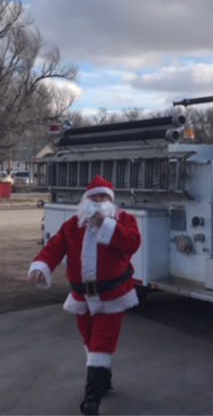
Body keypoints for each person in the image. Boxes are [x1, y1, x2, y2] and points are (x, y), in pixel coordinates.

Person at [28, 175, 141, 415]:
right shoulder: (73, 225)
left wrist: (107, 226)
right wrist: (41, 267)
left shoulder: (123, 220)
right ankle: (104, 379)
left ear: (110, 201)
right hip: (82, 299)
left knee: (100, 344)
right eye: (94, 197)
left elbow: (133, 242)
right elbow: (54, 248)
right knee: (90, 343)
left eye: (103, 197)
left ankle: (91, 400)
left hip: (112, 297)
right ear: (85, 200)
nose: (99, 201)